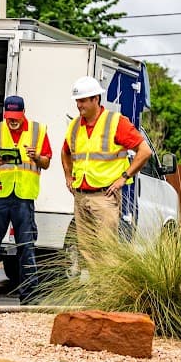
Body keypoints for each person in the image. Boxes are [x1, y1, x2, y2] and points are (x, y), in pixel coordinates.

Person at [0, 95, 52, 306]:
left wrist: (36, 157)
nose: (12, 121)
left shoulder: (37, 131)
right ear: (5, 113)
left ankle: (30, 296)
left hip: (24, 197)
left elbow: (47, 162)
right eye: (9, 117)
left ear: (23, 113)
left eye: (16, 117)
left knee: (26, 246)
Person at [61, 76, 153, 241]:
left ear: (95, 99)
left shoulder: (116, 122)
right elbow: (65, 151)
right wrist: (68, 176)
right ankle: (88, 269)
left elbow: (145, 151)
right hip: (80, 196)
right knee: (85, 250)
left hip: (104, 197)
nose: (78, 105)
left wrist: (123, 178)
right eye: (77, 101)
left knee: (105, 249)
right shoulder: (75, 125)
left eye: (82, 101)